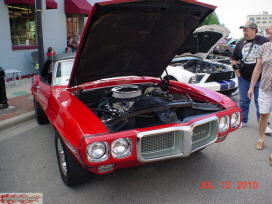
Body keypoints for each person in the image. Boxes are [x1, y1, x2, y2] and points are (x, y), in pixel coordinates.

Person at [231, 21, 271, 133]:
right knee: (243, 101)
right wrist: (238, 73)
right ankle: (243, 120)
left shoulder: (265, 41)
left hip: (261, 79)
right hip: (244, 78)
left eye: (246, 30)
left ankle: (263, 124)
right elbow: (234, 58)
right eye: (243, 30)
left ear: (254, 30)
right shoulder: (240, 43)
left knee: (260, 102)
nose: (244, 32)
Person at [248, 24, 272, 150]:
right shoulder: (264, 47)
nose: (269, 35)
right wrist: (251, 87)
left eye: (271, 33)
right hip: (265, 87)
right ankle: (261, 139)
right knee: (263, 114)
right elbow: (258, 68)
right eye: (268, 33)